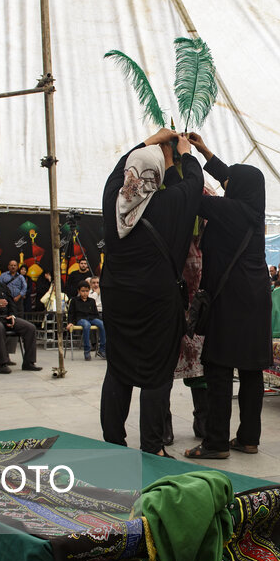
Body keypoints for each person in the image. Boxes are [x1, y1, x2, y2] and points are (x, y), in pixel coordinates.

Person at [100, 129, 203, 456]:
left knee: (118, 367)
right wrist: (182, 154)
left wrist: (148, 142)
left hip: (116, 295)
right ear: (156, 175)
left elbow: (119, 168)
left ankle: (113, 441)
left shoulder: (112, 200)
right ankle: (153, 447)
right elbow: (193, 184)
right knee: (156, 374)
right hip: (157, 297)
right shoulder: (169, 203)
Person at [183, 132, 271, 460]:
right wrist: (205, 151)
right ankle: (249, 438)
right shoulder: (252, 207)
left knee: (218, 368)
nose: (227, 182)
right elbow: (232, 178)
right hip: (256, 300)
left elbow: (195, 195)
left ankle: (216, 443)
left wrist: (186, 158)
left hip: (230, 299)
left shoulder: (230, 210)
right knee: (250, 370)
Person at [66, 280, 106, 360]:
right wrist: (70, 323)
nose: (85, 293)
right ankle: (87, 351)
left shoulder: (92, 301)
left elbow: (96, 314)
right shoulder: (74, 300)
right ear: (79, 291)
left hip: (91, 318)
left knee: (102, 324)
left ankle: (102, 349)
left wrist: (97, 321)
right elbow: (71, 313)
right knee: (86, 325)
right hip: (80, 319)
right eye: (83, 291)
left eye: (87, 291)